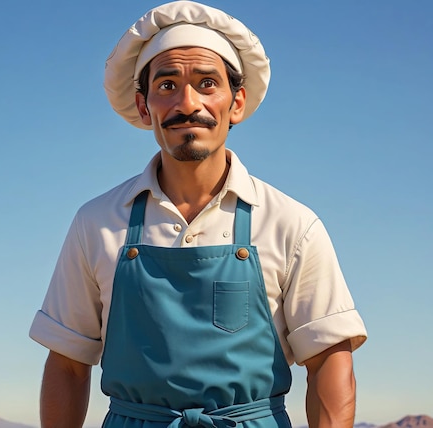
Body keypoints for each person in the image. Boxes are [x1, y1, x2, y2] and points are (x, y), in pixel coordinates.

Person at [29, 1, 367, 427]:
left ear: (237, 102)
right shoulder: (95, 223)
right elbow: (67, 365)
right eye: (167, 85)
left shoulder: (292, 224)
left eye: (207, 83)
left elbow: (329, 362)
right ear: (144, 106)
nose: (188, 103)